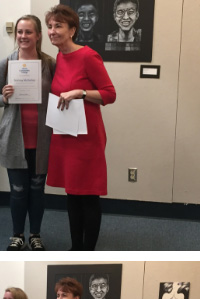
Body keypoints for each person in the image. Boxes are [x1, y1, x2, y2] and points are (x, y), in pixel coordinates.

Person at [45, 5, 117, 251]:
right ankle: (75, 245)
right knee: (72, 194)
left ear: (72, 30)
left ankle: (88, 249)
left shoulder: (88, 56)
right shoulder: (60, 57)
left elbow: (110, 94)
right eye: (50, 26)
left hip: (86, 137)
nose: (52, 31)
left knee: (88, 194)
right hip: (65, 134)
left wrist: (82, 92)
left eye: (58, 26)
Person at [0, 15, 56, 251]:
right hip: (14, 139)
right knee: (18, 191)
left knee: (37, 190)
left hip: (42, 139)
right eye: (20, 32)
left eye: (28, 32)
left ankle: (35, 235)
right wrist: (4, 97)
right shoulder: (5, 64)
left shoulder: (49, 64)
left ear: (38, 35)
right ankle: (17, 235)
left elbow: (58, 97)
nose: (23, 36)